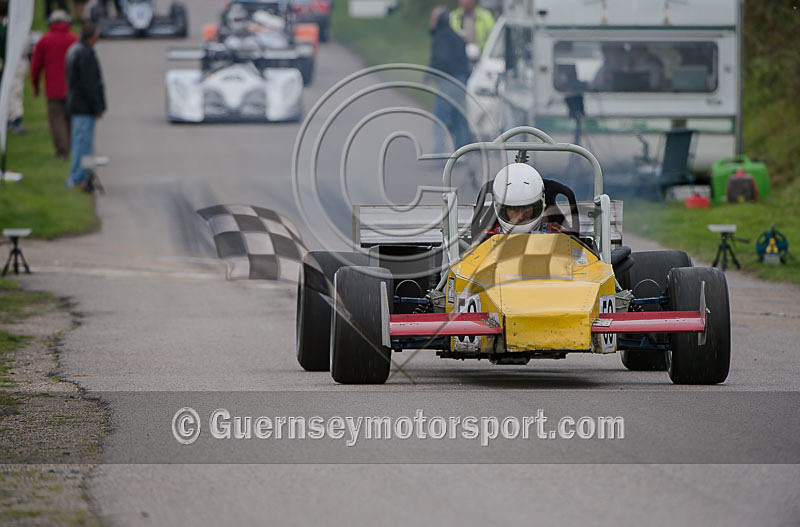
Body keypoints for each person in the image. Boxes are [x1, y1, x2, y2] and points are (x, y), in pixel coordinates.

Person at [31, 10, 78, 159]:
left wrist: (35, 85)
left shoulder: (45, 41)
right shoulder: (74, 40)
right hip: (72, 88)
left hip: (53, 89)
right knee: (70, 119)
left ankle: (62, 151)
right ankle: (70, 147)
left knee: (57, 120)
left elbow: (36, 66)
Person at [66, 21, 105, 188]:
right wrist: (98, 107)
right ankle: (77, 177)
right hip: (84, 107)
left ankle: (82, 176)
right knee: (83, 144)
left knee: (81, 143)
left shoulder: (76, 50)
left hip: (77, 104)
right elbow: (90, 85)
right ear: (92, 36)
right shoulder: (85, 55)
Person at [429, 7, 471, 153]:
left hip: (448, 82)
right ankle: (462, 152)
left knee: (440, 117)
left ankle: (439, 152)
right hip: (461, 81)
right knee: (459, 118)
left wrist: (429, 76)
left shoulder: (440, 36)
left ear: (439, 20)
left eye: (433, 18)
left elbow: (440, 60)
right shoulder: (456, 36)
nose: (431, 21)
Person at [489, 163, 546, 235]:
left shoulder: (557, 235)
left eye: (526, 207)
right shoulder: (486, 240)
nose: (521, 216)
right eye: (513, 208)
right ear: (502, 210)